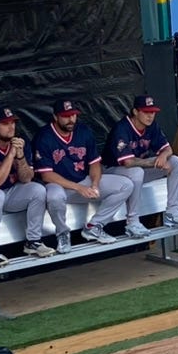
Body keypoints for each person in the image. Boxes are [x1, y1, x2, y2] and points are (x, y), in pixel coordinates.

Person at [33, 99, 133, 253]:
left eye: (73, 115)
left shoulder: (83, 131)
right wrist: (79, 187)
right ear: (55, 116)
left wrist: (94, 183)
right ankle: (62, 234)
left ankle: (94, 226)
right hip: (58, 186)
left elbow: (94, 163)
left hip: (82, 181)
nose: (71, 119)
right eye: (66, 116)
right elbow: (46, 175)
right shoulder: (44, 136)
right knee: (54, 196)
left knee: (126, 185)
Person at [0, 106, 56, 268]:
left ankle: (33, 242)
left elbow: (27, 179)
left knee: (38, 190)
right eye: (5, 123)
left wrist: (20, 156)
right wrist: (10, 155)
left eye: (13, 122)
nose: (11, 127)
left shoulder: (22, 143)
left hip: (9, 193)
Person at [102, 94, 178, 237]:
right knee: (136, 171)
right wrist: (155, 162)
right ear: (135, 111)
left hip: (137, 172)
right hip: (112, 174)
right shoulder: (122, 128)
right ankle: (132, 222)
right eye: (146, 112)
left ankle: (172, 211)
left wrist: (163, 156)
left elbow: (168, 149)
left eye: (152, 112)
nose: (150, 116)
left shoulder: (151, 126)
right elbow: (128, 162)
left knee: (175, 162)